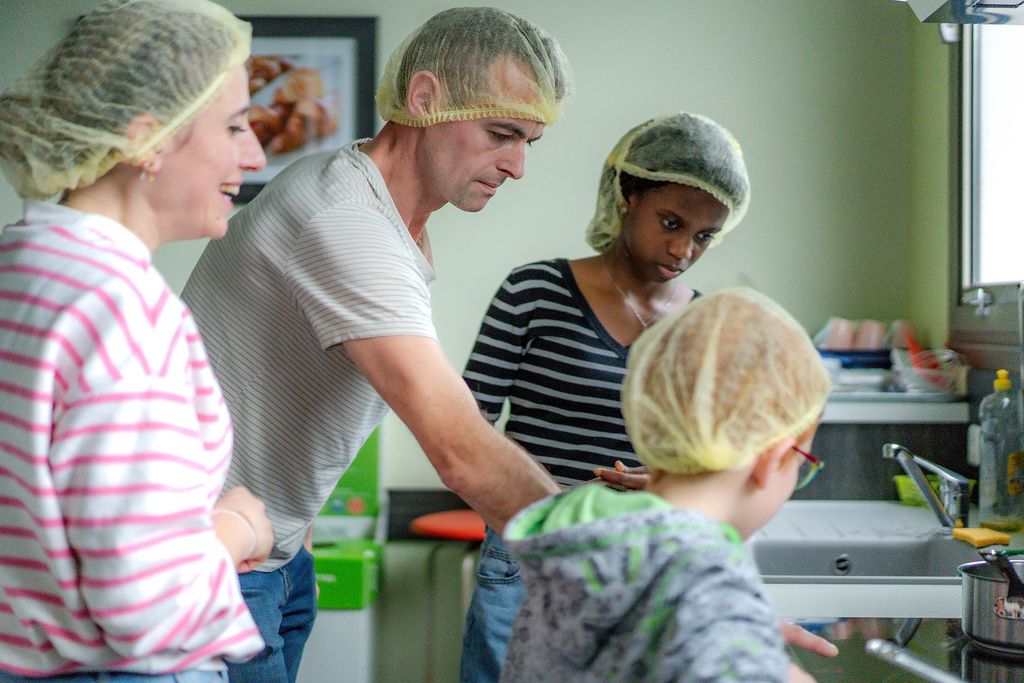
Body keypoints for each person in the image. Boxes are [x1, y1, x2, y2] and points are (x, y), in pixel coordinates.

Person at [179, 7, 574, 681]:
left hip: (277, 549)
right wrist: (650, 576)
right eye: (502, 133)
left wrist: (296, 525)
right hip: (223, 559)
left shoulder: (387, 214)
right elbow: (458, 444)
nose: (517, 165)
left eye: (529, 141)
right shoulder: (346, 220)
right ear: (424, 99)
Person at [0, 0, 273, 681]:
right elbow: (148, 605)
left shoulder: (19, 265)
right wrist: (237, 527)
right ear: (148, 140)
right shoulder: (123, 311)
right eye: (235, 125)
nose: (256, 153)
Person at [458, 111, 752, 682]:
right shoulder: (534, 292)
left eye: (704, 236)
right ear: (626, 196)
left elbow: (719, 464)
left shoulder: (704, 324)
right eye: (670, 222)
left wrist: (673, 485)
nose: (684, 249)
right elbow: (465, 428)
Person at [499, 287, 833, 682]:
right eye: (802, 462)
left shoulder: (580, 532)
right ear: (772, 459)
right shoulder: (709, 578)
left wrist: (735, 637)